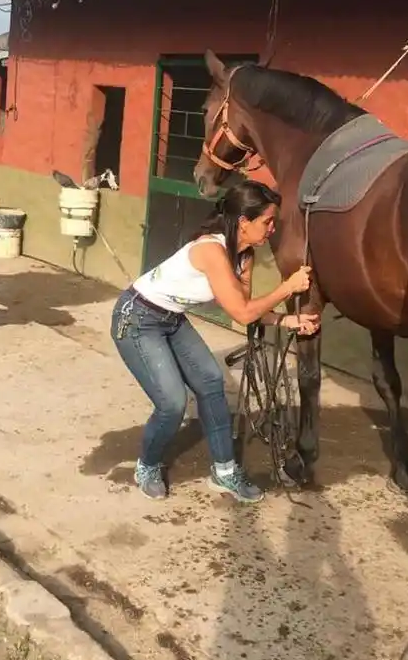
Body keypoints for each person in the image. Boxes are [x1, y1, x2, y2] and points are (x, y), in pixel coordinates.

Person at [111, 180, 319, 504]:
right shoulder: (210, 249)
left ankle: (224, 473)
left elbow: (242, 312)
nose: (272, 228)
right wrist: (288, 288)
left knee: (210, 380)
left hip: (172, 318)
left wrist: (286, 320)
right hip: (138, 318)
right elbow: (243, 311)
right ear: (243, 221)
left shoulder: (244, 256)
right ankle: (147, 465)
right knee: (172, 403)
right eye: (267, 221)